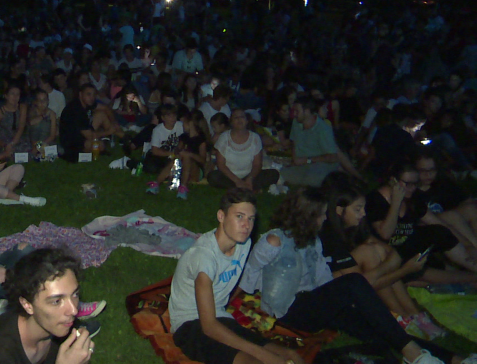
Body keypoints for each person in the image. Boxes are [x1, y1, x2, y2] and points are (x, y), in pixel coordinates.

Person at [239, 188, 460, 364]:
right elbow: (248, 274)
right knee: (354, 282)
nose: (325, 219)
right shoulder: (273, 241)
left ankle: (451, 358)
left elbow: (323, 280)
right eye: (321, 214)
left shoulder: (313, 241)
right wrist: (236, 310)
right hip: (287, 312)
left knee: (376, 326)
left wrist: (350, 299)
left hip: (313, 304)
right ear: (307, 215)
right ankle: (415, 356)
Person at [170, 188, 302, 364]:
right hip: (190, 325)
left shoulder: (243, 244)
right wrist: (262, 354)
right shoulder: (204, 257)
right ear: (221, 216)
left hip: (221, 317)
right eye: (239, 216)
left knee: (290, 355)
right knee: (255, 361)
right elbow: (208, 326)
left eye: (251, 219)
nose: (246, 225)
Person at [319, 173, 446, 339]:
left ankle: (414, 315)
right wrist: (403, 270)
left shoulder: (355, 226)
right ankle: (402, 317)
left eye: (363, 208)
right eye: (357, 209)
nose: (363, 214)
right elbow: (360, 285)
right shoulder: (330, 236)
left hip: (358, 282)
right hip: (332, 291)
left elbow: (386, 250)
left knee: (377, 251)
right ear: (339, 210)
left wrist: (395, 261)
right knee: (370, 253)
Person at [0, 248, 96, 364]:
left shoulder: (56, 327)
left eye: (75, 294)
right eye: (56, 301)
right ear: (27, 305)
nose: (73, 310)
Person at [366, 161, 477, 281]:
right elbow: (385, 234)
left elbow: (437, 222)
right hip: (391, 253)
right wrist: (396, 203)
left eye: (415, 184)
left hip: (413, 245)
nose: (412, 188)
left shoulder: (414, 198)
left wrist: (467, 244)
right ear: (393, 181)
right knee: (440, 274)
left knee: (440, 232)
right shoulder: (376, 199)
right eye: (408, 184)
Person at [281, 96, 360, 187]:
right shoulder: (296, 122)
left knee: (314, 178)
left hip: (319, 163)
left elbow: (333, 157)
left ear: (307, 111)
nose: (294, 114)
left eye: (297, 111)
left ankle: (343, 179)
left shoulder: (323, 128)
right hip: (303, 164)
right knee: (283, 174)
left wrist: (307, 160)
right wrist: (295, 159)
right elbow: (294, 142)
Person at [412, 149, 477, 252]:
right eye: (423, 171)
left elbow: (466, 201)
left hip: (451, 221)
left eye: (432, 170)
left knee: (470, 209)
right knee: (452, 216)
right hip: (425, 227)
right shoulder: (411, 190)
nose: (428, 174)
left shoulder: (442, 184)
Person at [208, 108, 279, 192]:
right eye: (236, 117)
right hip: (229, 177)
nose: (239, 120)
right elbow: (221, 165)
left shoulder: (255, 138)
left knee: (274, 174)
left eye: (242, 117)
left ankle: (243, 186)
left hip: (249, 175)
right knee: (213, 177)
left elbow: (257, 164)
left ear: (247, 121)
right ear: (231, 122)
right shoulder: (224, 137)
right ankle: (242, 187)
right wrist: (237, 181)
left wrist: (250, 179)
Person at [59, 84, 124, 163]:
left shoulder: (86, 102)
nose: (92, 98)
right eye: (88, 94)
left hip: (82, 132)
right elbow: (90, 135)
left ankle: (125, 138)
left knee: (101, 115)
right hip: (72, 141)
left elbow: (106, 108)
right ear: (80, 94)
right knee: (100, 145)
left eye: (93, 95)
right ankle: (106, 142)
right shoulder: (76, 110)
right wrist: (108, 132)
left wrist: (114, 122)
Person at [143, 104, 186, 197]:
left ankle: (158, 182)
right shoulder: (158, 130)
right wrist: (171, 154)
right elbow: (155, 151)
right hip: (160, 155)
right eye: (169, 116)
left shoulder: (180, 126)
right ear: (163, 118)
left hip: (173, 155)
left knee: (176, 163)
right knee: (151, 167)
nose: (173, 118)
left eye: (174, 115)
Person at [0, 85, 31, 162]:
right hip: (4, 140)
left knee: (27, 150)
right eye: (12, 94)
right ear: (6, 96)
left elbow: (21, 128)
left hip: (17, 138)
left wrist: (12, 143)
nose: (15, 97)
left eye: (17, 94)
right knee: (9, 152)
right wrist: (5, 145)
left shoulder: (22, 107)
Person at [27, 89, 58, 160]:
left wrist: (39, 146)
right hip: (32, 143)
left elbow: (52, 136)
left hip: (46, 142)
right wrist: (43, 116)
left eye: (44, 100)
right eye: (39, 100)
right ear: (35, 102)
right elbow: (31, 123)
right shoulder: (31, 111)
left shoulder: (52, 114)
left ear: (48, 101)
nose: (42, 103)